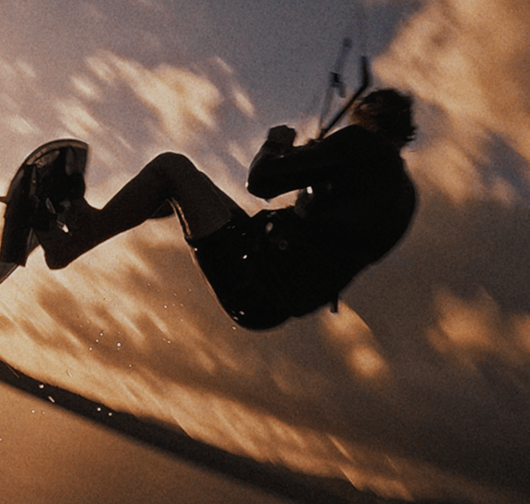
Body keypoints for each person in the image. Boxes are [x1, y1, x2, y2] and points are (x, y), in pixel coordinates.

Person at [37, 89, 418, 330]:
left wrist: (275, 145)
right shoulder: (404, 197)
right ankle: (86, 217)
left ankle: (72, 242)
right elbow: (338, 239)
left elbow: (261, 182)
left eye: (356, 118)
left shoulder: (362, 144)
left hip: (256, 270)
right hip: (271, 302)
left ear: (369, 114)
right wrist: (316, 190)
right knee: (181, 189)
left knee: (171, 167)